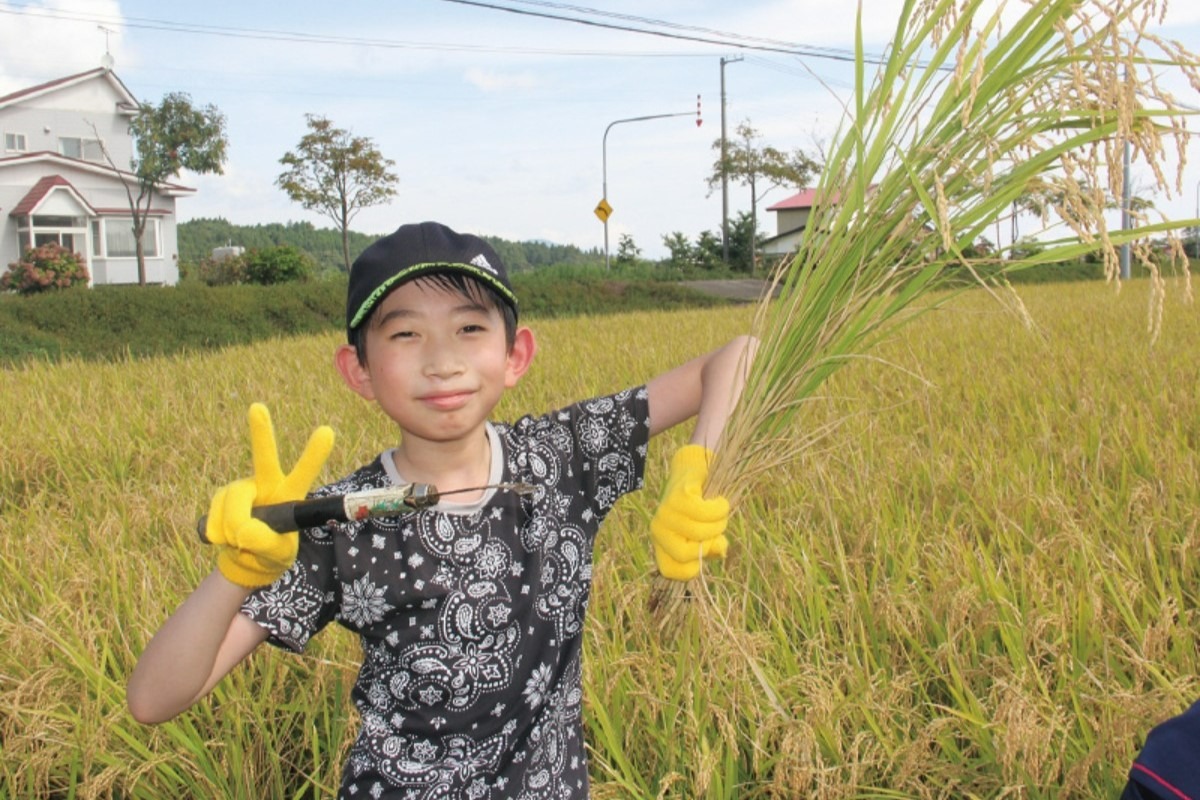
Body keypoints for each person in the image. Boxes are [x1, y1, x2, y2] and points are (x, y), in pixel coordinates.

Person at [127, 220, 756, 799]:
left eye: (470, 328)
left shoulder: (561, 458)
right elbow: (155, 698)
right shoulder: (341, 520)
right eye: (405, 334)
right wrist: (234, 573)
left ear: (516, 355)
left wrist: (699, 466)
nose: (442, 360)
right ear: (360, 370)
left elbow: (741, 355)